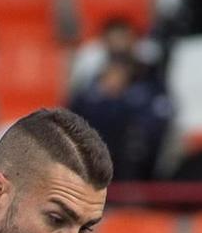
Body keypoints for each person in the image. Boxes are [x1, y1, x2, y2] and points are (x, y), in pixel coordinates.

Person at [67, 47, 171, 184]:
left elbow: (151, 128)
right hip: (92, 160)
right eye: (111, 73)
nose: (115, 78)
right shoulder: (85, 99)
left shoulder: (138, 99)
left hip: (129, 165)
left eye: (120, 74)